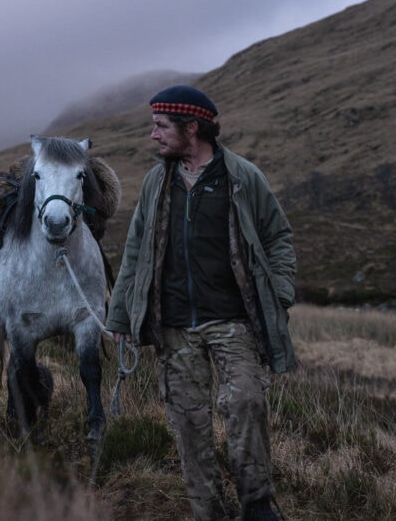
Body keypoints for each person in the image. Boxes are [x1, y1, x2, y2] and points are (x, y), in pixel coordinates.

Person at [105, 85, 297, 521]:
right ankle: (208, 511)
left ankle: (258, 505)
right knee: (187, 421)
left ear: (192, 128)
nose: (153, 135)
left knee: (246, 402)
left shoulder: (242, 177)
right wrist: (119, 314)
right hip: (174, 324)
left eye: (160, 126)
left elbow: (279, 237)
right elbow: (135, 249)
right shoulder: (158, 181)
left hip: (232, 320)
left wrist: (280, 291)